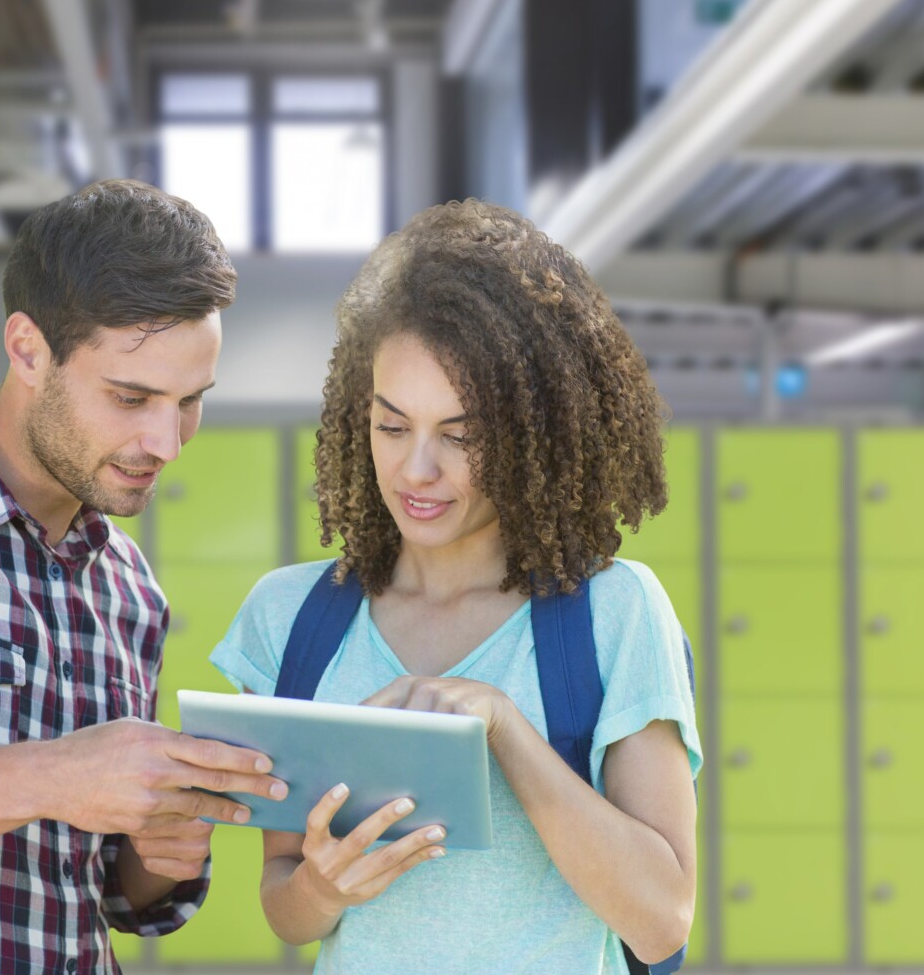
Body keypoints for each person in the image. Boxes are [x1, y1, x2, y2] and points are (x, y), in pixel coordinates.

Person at [212, 198, 701, 973]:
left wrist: (503, 727)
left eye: (462, 435)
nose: (417, 471)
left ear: (535, 433)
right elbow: (286, 909)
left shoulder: (614, 613)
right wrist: (326, 886)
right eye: (392, 425)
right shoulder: (290, 618)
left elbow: (661, 920)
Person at [0, 179, 288, 975]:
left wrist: (161, 846)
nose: (166, 442)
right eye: (131, 397)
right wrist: (50, 776)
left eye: (190, 401)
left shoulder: (128, 588)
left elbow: (113, 898)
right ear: (28, 349)